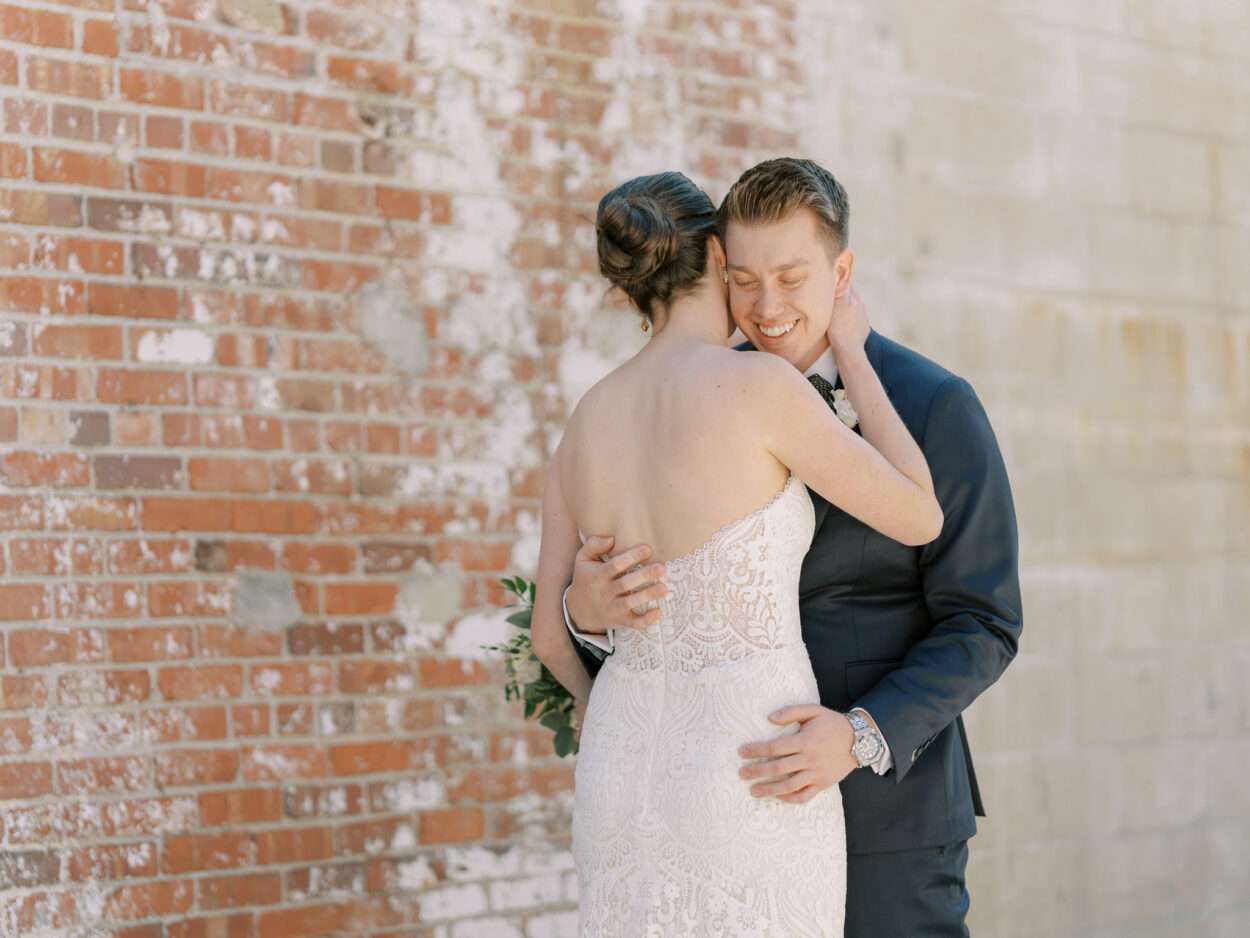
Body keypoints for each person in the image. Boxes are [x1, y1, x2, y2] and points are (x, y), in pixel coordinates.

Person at [561, 158, 1024, 936]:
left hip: (887, 814)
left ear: (842, 272)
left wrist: (862, 733)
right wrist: (587, 611)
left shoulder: (936, 405)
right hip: (718, 806)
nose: (768, 307)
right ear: (715, 270)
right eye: (744, 279)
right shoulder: (696, 395)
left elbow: (985, 621)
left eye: (792, 276)